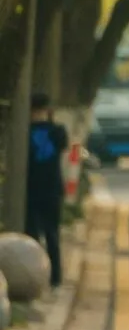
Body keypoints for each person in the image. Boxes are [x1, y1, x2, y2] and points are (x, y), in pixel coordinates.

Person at [23, 92, 68, 286]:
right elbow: (64, 146)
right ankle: (54, 277)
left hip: (33, 189)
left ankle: (38, 275)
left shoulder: (24, 131)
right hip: (51, 188)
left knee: (35, 234)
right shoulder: (57, 131)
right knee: (51, 234)